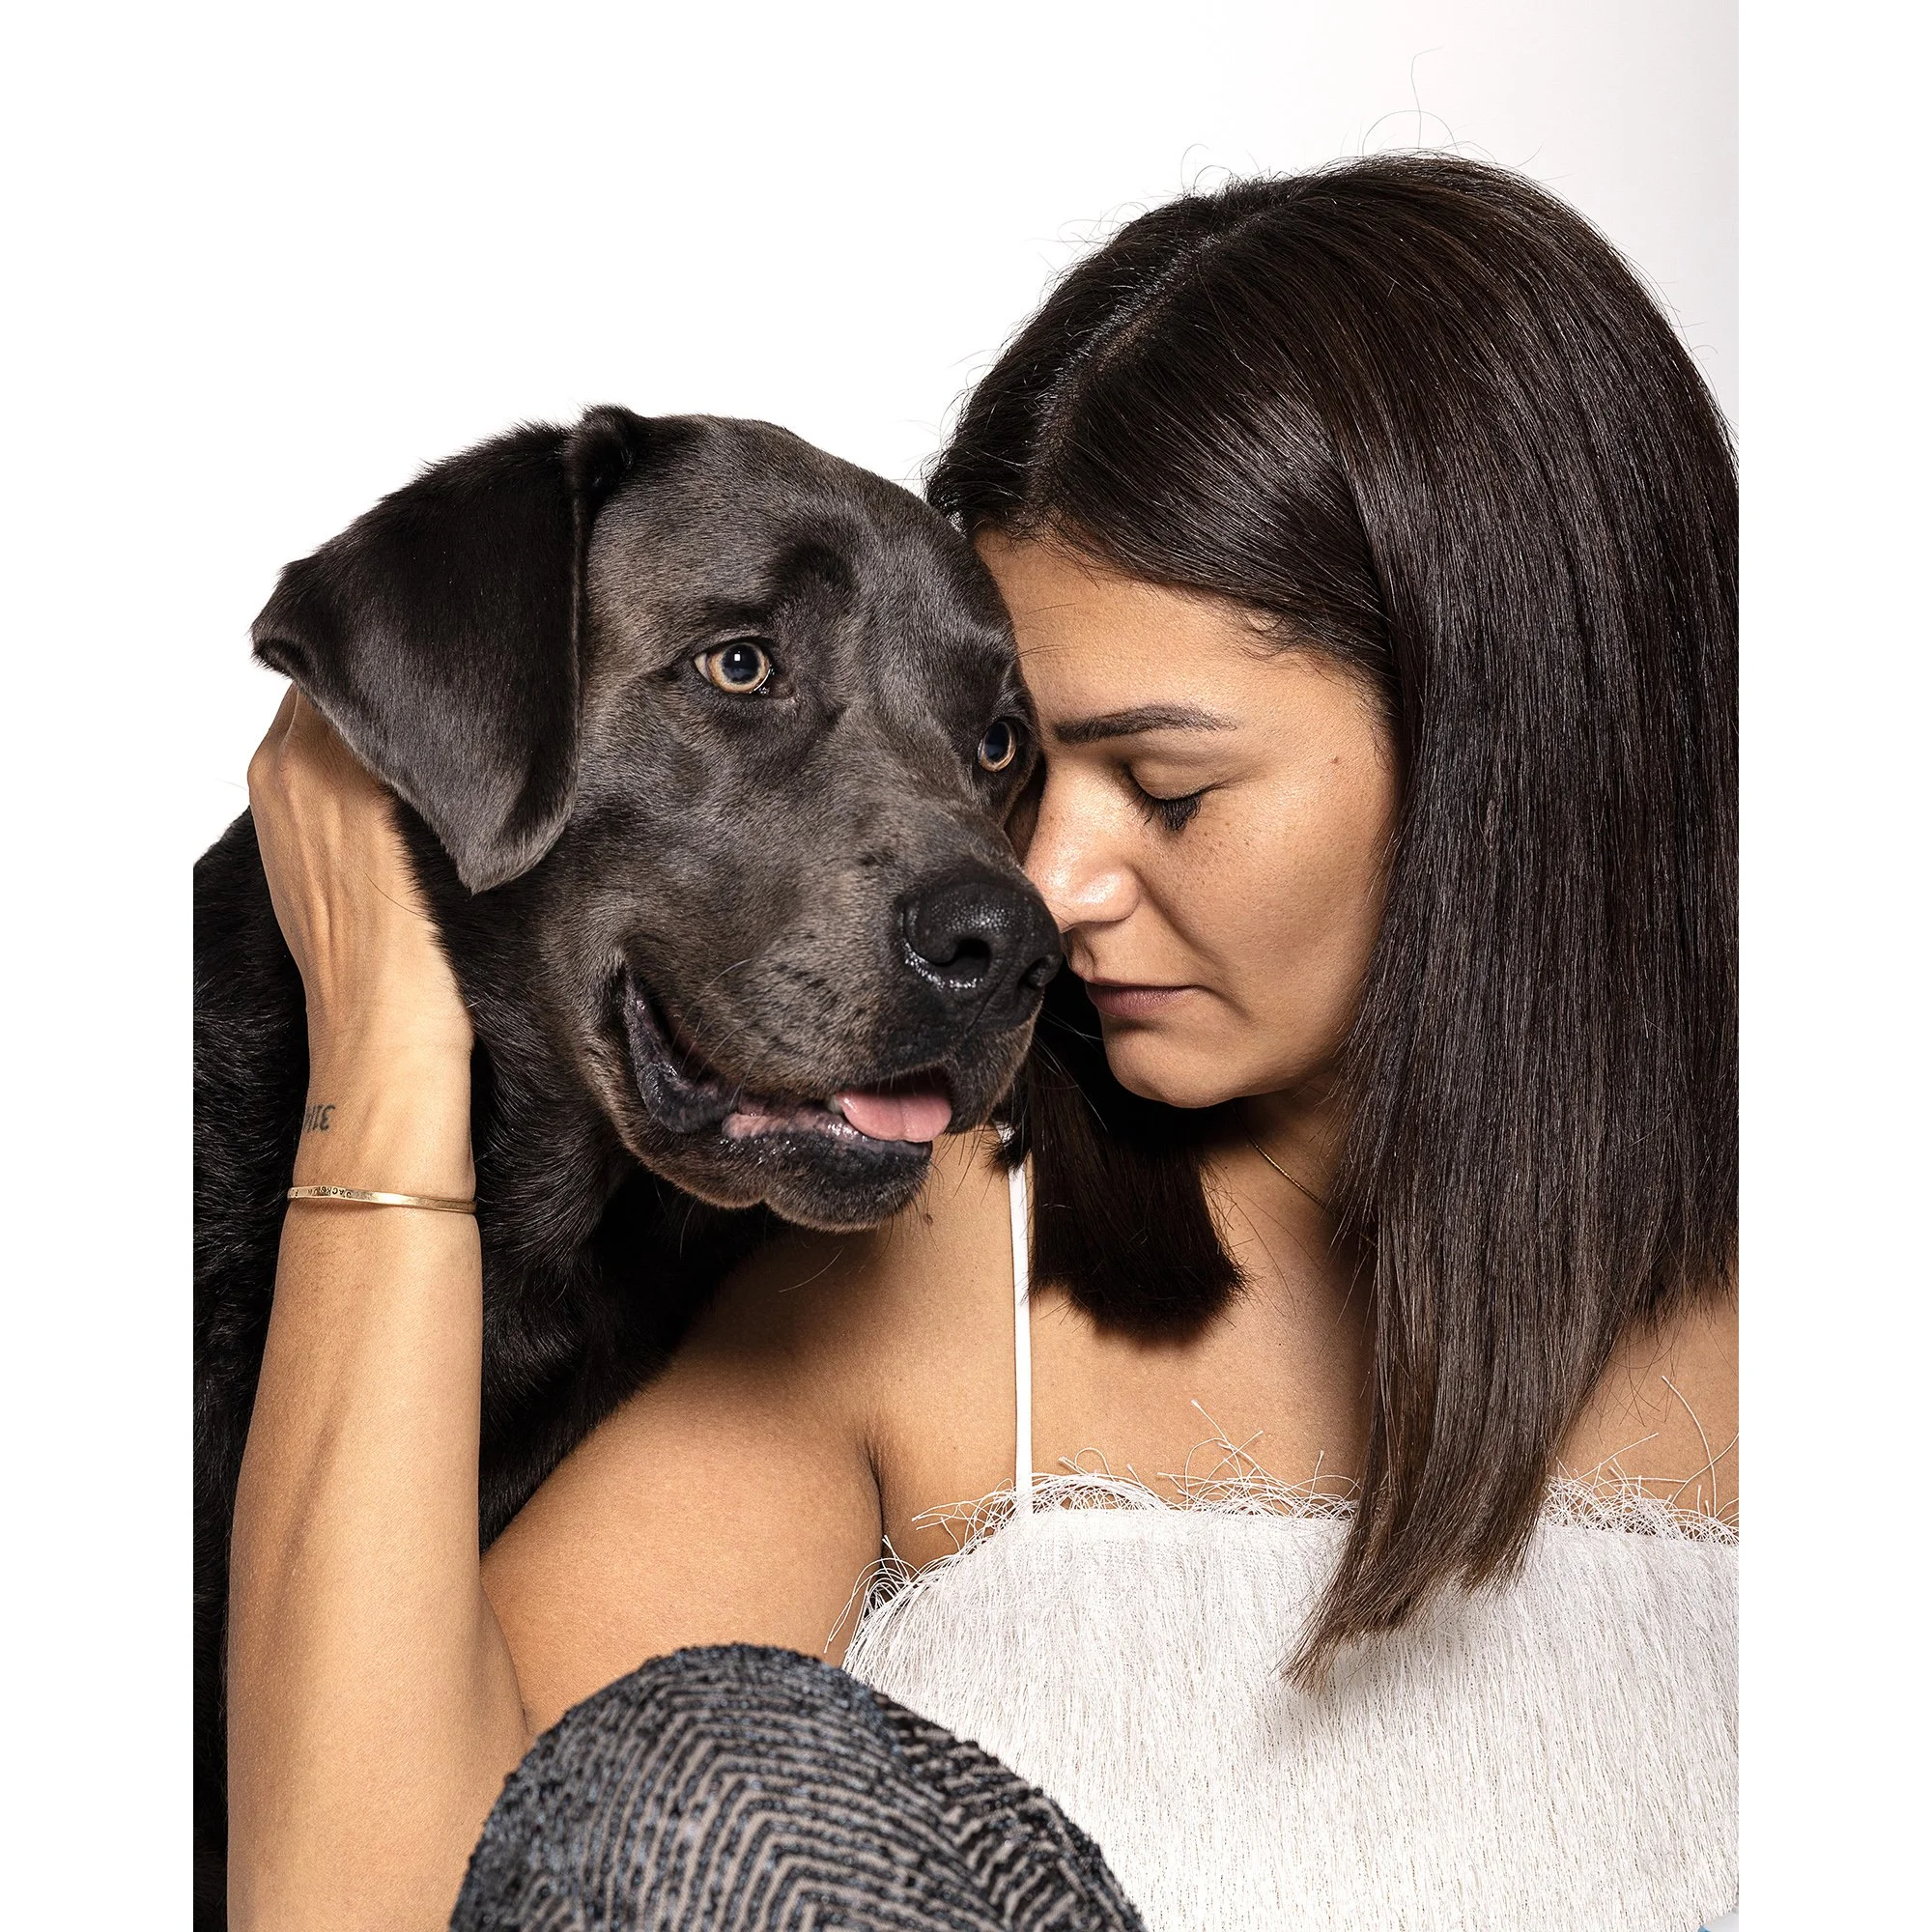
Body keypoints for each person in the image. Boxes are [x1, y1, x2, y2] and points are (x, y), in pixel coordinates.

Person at [226, 155, 1737, 1931]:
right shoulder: (934, 1252)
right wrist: (391, 1049)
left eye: (1165, 787)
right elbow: (380, 1900)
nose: (1042, 887)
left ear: (1515, 765)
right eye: (1035, 763)